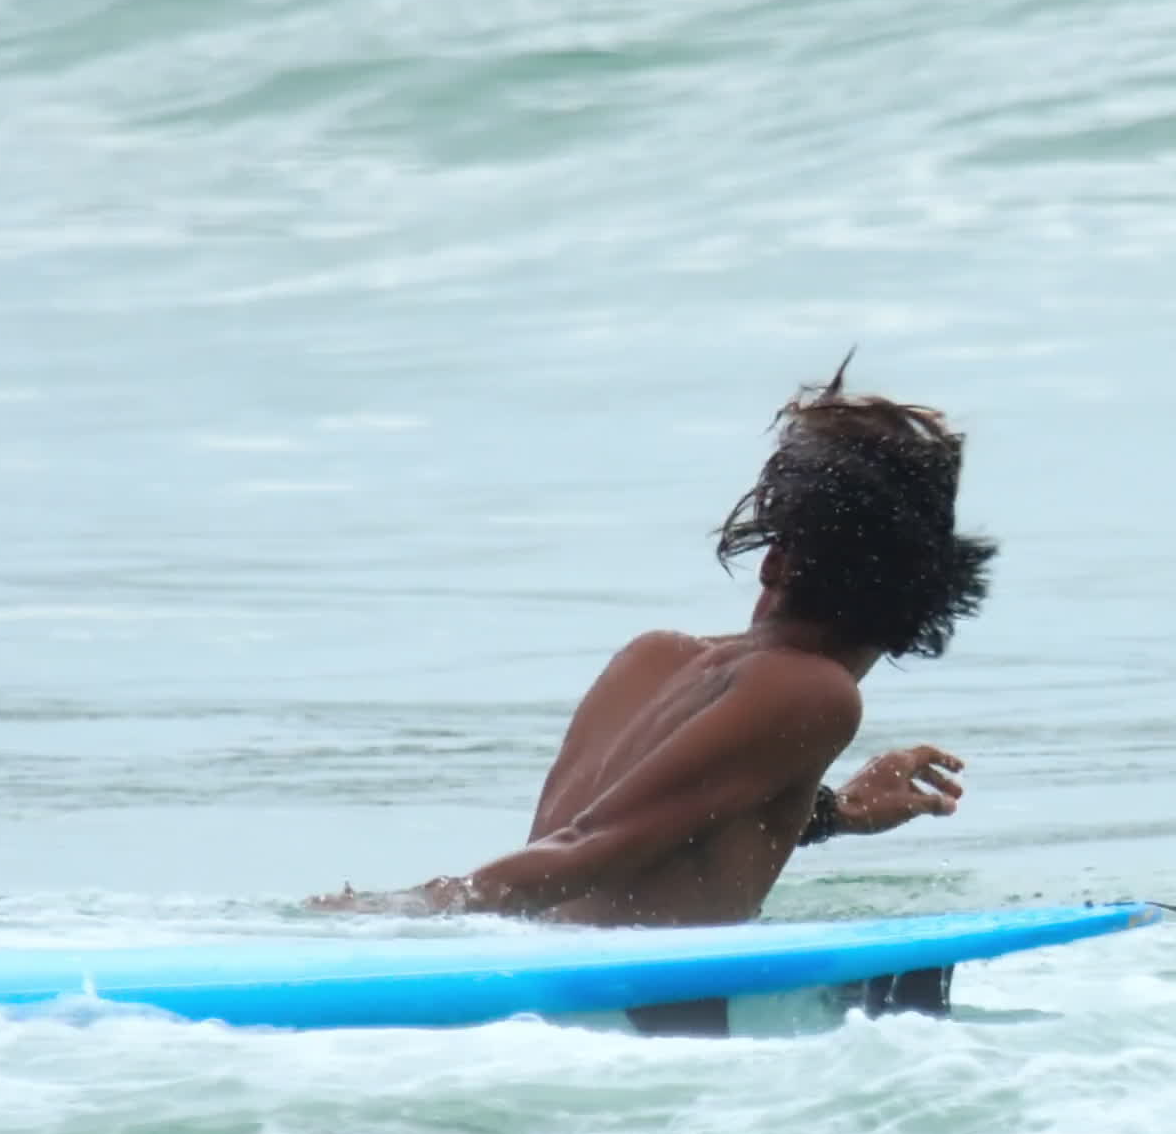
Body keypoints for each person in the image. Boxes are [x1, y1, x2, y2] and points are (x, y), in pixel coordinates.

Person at [312, 371, 996, 928]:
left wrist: (833, 814)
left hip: (548, 973)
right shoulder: (815, 693)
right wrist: (403, 912)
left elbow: (639, 836)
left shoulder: (654, 659)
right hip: (627, 1017)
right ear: (932, 593)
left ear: (775, 562)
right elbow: (589, 850)